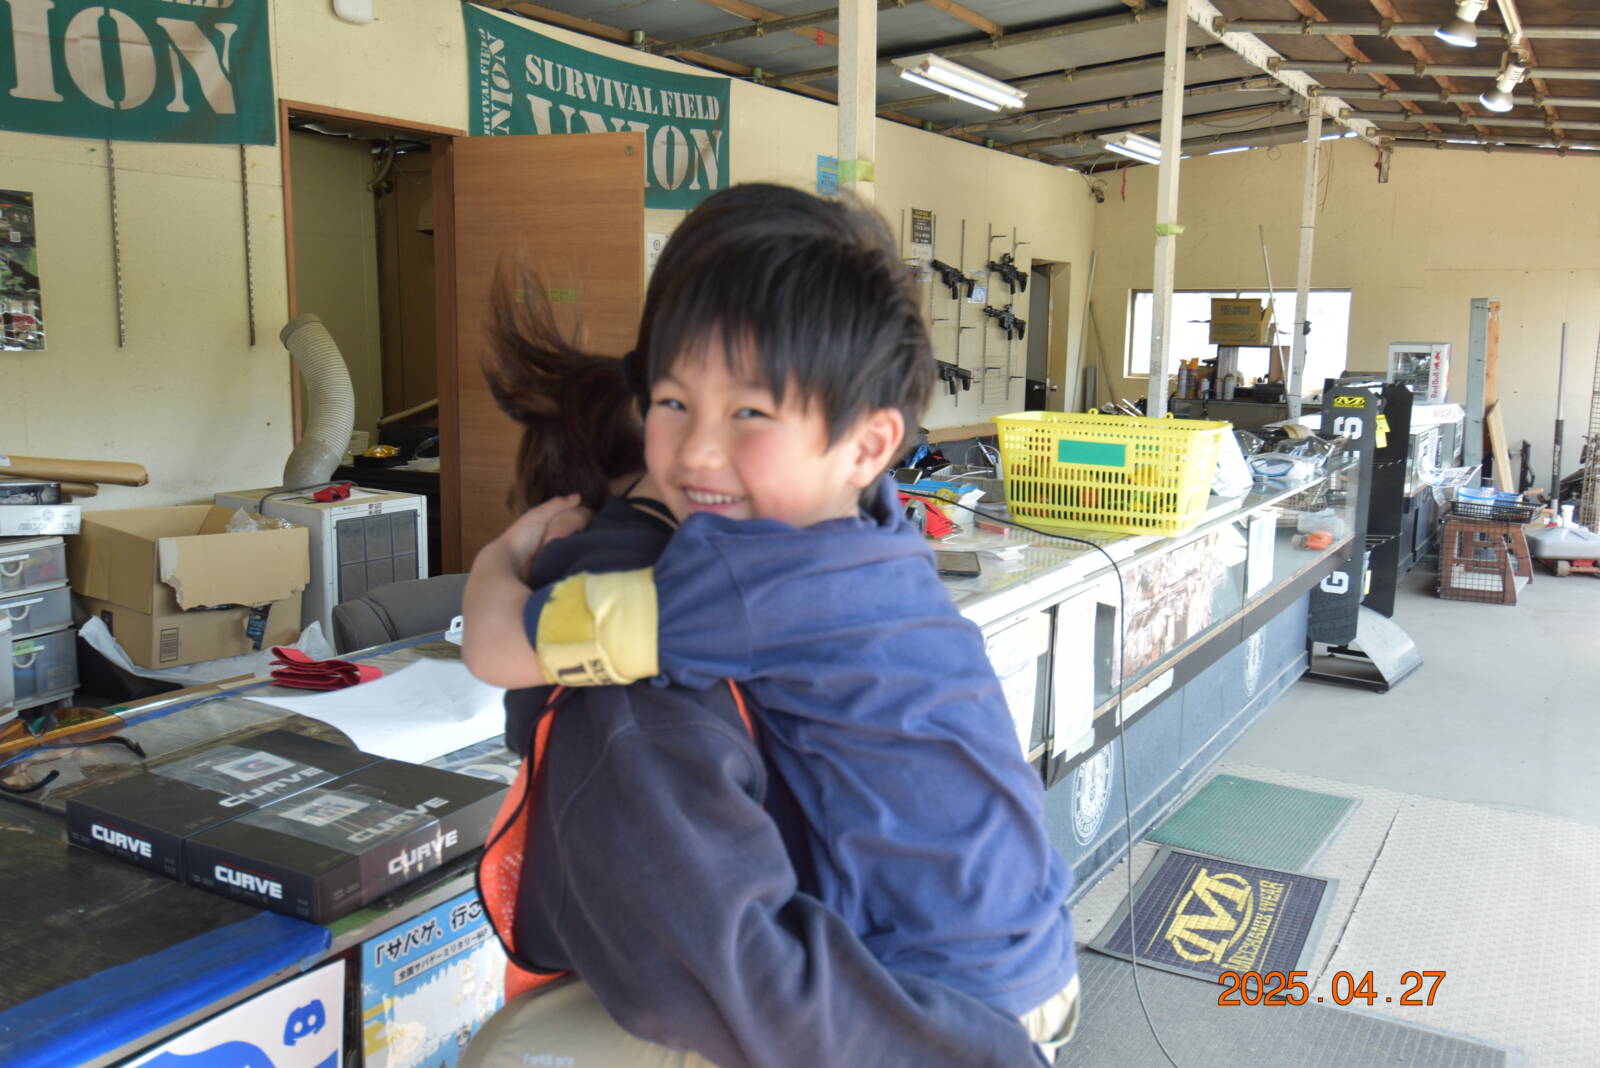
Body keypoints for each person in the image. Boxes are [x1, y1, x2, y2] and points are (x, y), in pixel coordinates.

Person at [464, 184, 1076, 1064]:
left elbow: (496, 649)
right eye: (673, 402)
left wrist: (501, 560)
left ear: (867, 443)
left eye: (750, 412)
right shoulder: (878, 529)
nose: (697, 451)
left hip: (931, 1003)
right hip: (1031, 941)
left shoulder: (733, 587)